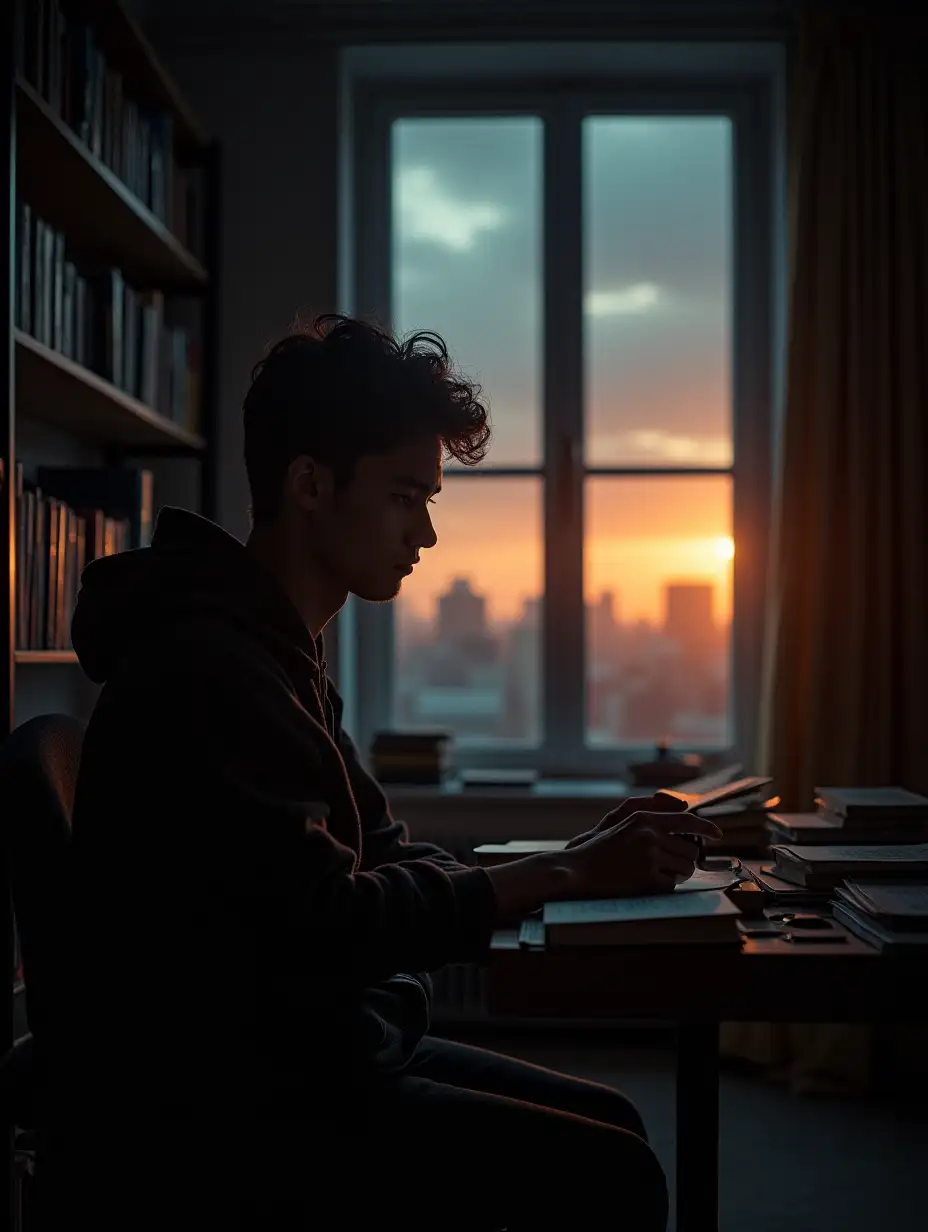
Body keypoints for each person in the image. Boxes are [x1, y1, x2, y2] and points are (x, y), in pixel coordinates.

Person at [47, 315, 721, 1230]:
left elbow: (384, 856)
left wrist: (576, 854)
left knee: (615, 1122)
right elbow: (334, 922)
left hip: (295, 1049)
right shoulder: (210, 666)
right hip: (234, 1101)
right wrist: (563, 873)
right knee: (614, 1174)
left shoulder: (273, 652)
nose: (429, 534)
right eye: (408, 497)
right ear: (312, 485)